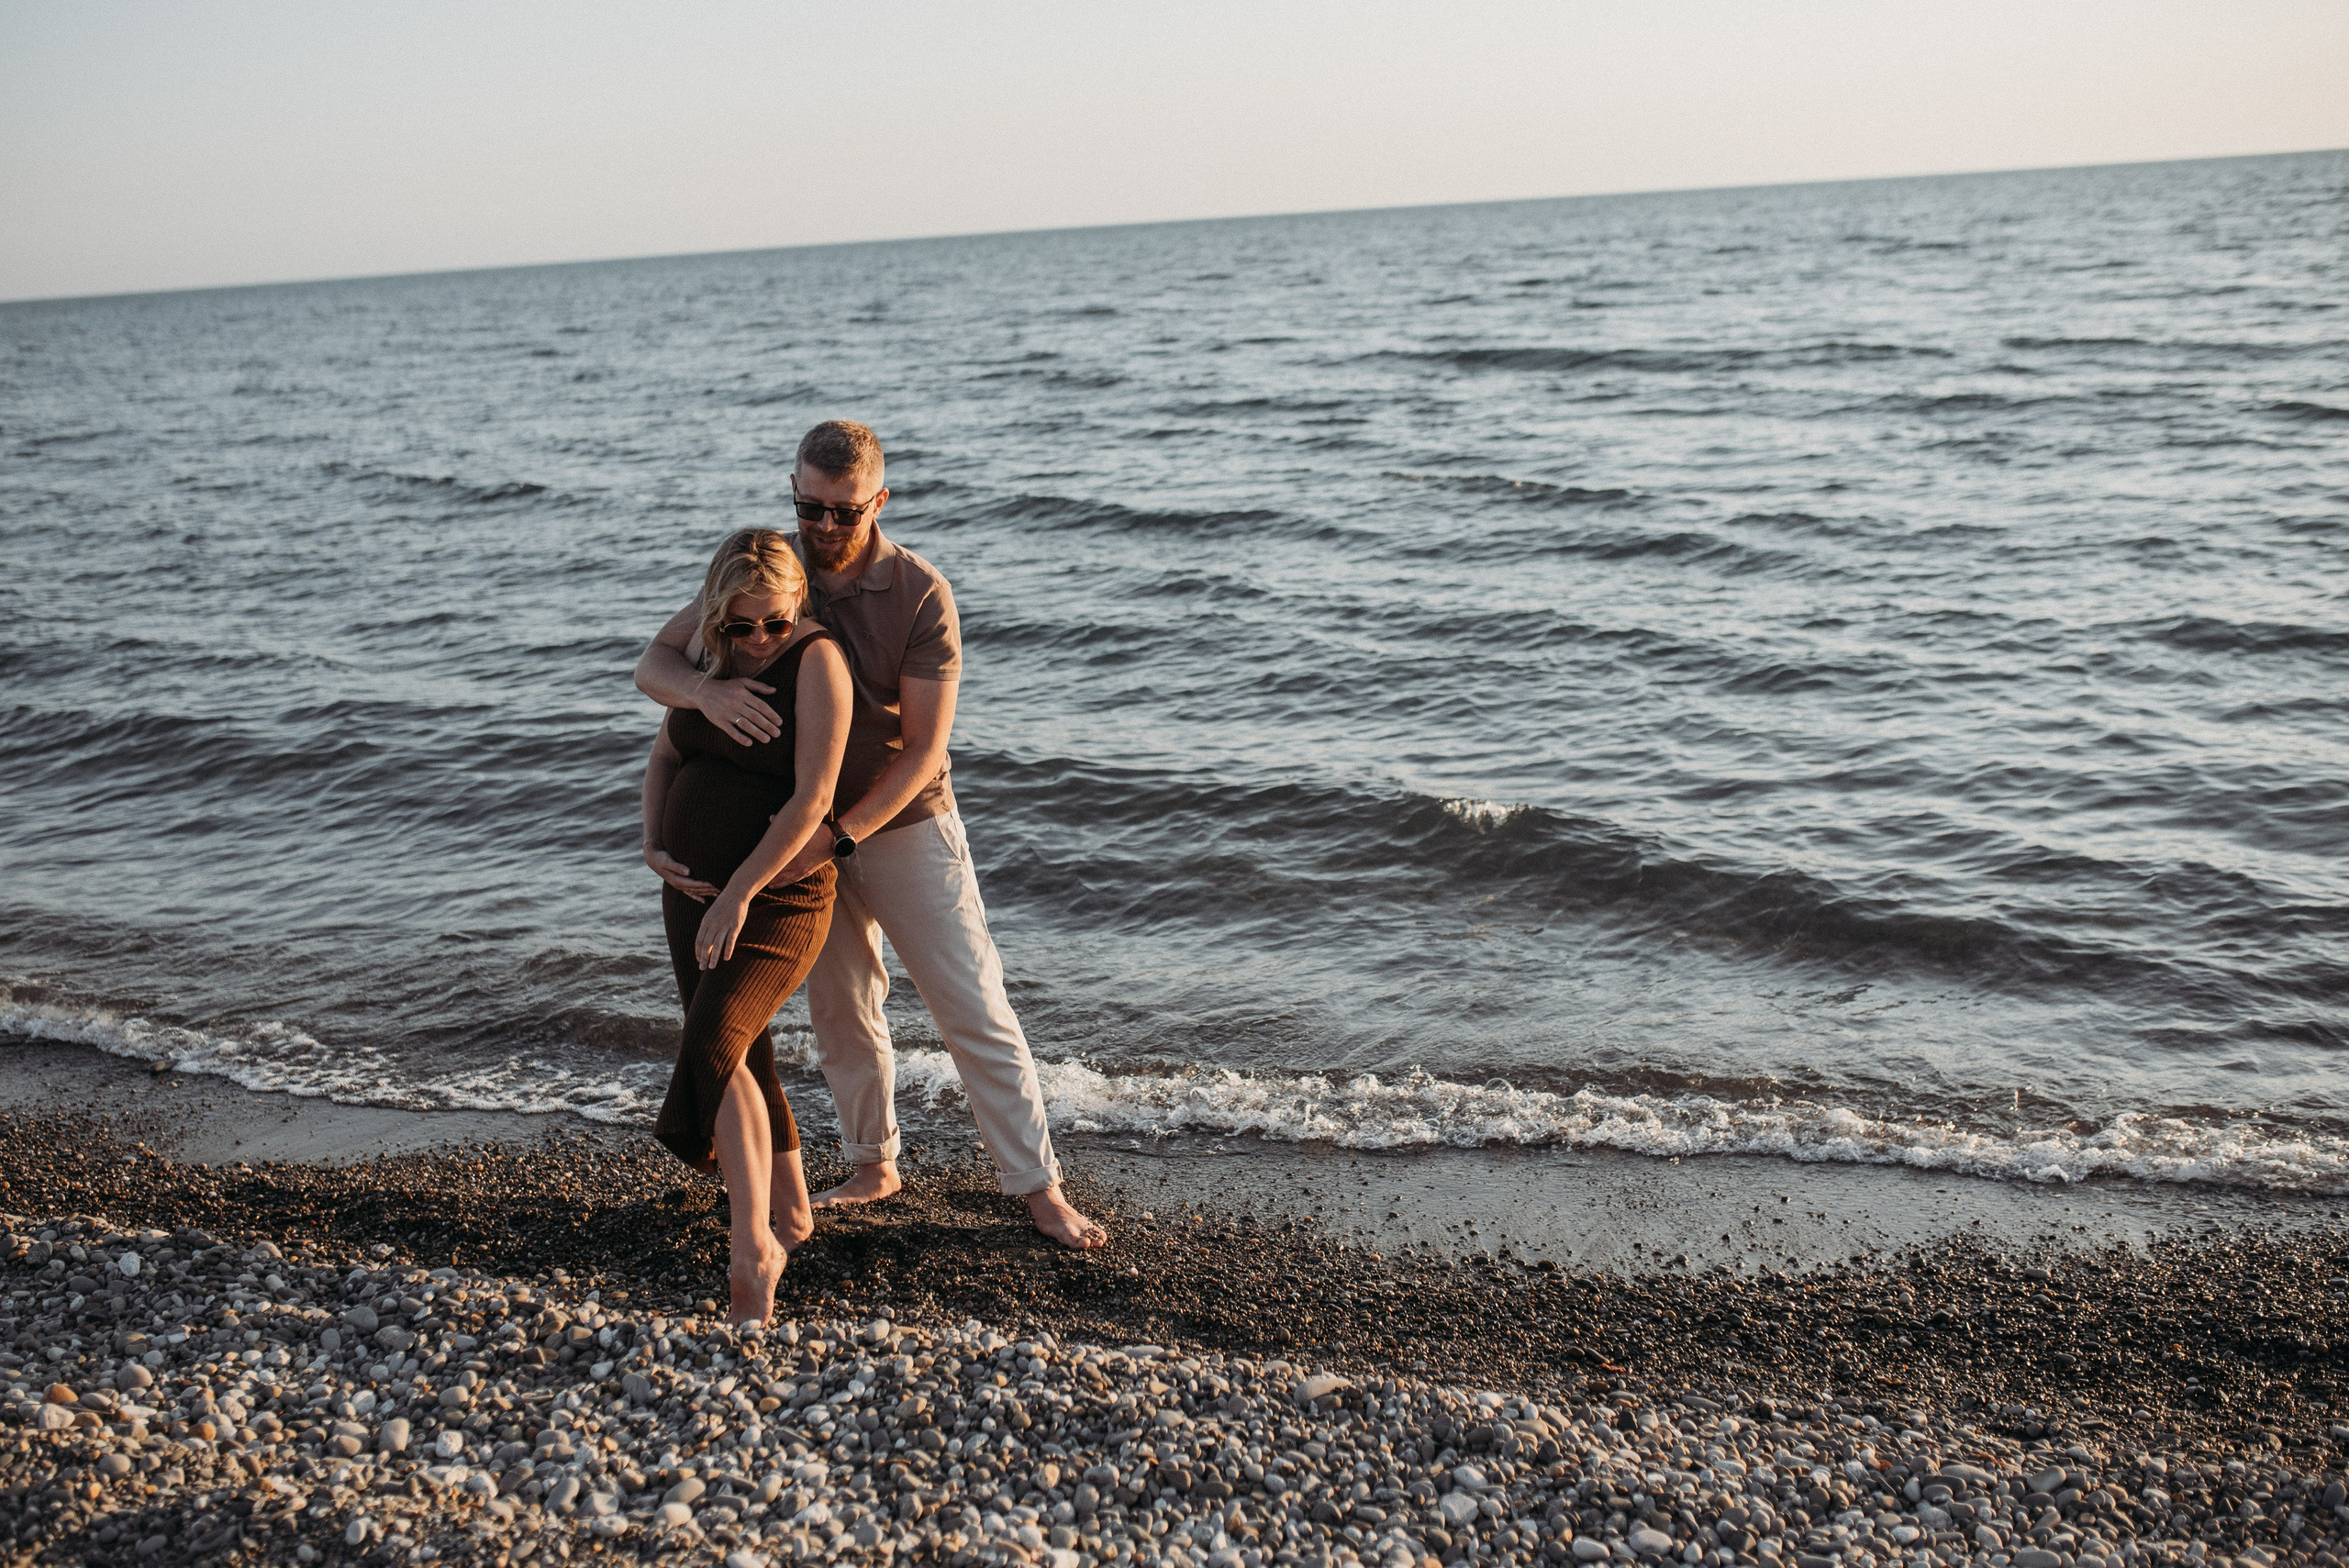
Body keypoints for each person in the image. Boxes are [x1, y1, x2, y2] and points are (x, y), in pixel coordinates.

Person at [635, 419, 1107, 1250]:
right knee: (842, 1004)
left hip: (897, 822)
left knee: (971, 1002)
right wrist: (706, 695)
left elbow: (924, 748)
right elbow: (658, 661)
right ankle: (873, 1163)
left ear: (878, 501)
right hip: (792, 828)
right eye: (808, 507)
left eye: (844, 511)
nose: (823, 527)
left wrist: (841, 836)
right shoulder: (776, 573)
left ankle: (1039, 1187)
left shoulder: (921, 593)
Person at [640, 527, 852, 1323]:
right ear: (717, 615)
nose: (760, 639)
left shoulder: (817, 661)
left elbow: (812, 799)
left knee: (715, 1042)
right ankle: (790, 1212)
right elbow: (665, 755)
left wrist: (737, 894)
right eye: (741, 625)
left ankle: (751, 1250)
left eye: (775, 622)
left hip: (776, 898)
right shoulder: (709, 658)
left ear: (798, 604)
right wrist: (653, 842)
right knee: (744, 1050)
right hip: (691, 893)